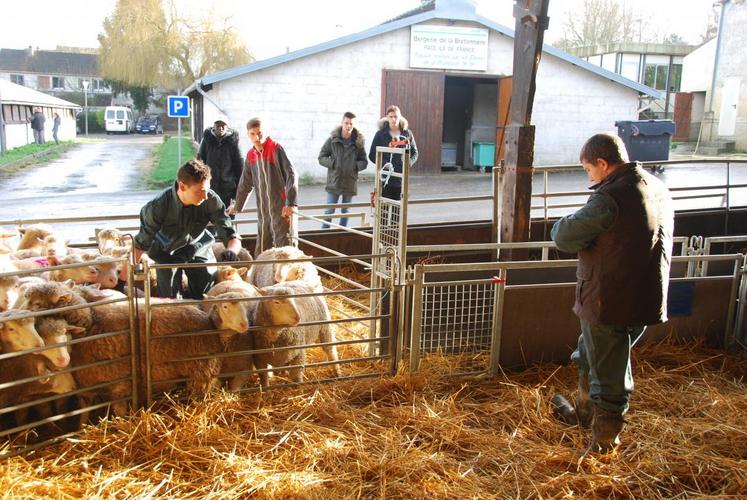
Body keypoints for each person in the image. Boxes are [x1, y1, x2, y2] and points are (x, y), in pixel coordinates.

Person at [550, 132, 674, 453]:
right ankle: (583, 413)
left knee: (610, 372)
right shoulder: (657, 187)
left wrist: (574, 219)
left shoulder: (610, 198)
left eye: (588, 170)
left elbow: (563, 235)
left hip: (608, 301)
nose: (588, 177)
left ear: (603, 164)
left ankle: (604, 443)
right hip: (644, 297)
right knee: (591, 353)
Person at [133, 159, 242, 299]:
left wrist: (231, 252)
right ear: (182, 187)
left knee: (206, 293)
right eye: (200, 191)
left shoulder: (210, 199)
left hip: (198, 246)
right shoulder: (157, 207)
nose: (205, 196)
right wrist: (125, 275)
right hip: (166, 251)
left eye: (207, 190)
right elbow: (141, 243)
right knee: (169, 298)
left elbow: (230, 234)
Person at [229, 117, 298, 256]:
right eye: (253, 134)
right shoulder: (250, 155)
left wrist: (291, 203)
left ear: (265, 132)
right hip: (263, 210)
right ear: (248, 135)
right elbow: (245, 183)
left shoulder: (275, 149)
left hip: (282, 208)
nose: (257, 137)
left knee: (284, 247)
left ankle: (288, 276)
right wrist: (237, 206)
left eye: (259, 133)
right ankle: (261, 276)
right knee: (261, 249)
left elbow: (292, 174)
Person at [318, 111, 368, 228]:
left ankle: (342, 234)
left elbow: (364, 161)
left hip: (349, 182)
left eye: (351, 123)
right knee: (329, 211)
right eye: (346, 123)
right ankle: (323, 235)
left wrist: (354, 166)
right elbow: (321, 157)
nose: (349, 126)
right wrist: (333, 163)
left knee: (345, 212)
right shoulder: (332, 140)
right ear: (342, 123)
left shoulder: (358, 142)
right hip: (334, 181)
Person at [368, 105, 418, 200]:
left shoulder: (407, 134)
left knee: (398, 212)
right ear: (387, 118)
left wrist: (407, 163)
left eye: (396, 116)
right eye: (391, 117)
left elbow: (415, 153)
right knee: (384, 212)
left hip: (401, 179)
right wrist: (385, 164)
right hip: (384, 179)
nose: (393, 119)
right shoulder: (380, 134)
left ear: (400, 117)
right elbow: (372, 155)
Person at [196, 117, 243, 211]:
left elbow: (239, 168)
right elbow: (199, 164)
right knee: (209, 219)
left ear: (227, 127)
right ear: (213, 126)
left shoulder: (234, 142)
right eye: (218, 125)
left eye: (223, 125)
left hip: (228, 190)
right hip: (209, 188)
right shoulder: (206, 140)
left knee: (227, 219)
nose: (220, 128)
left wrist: (236, 196)